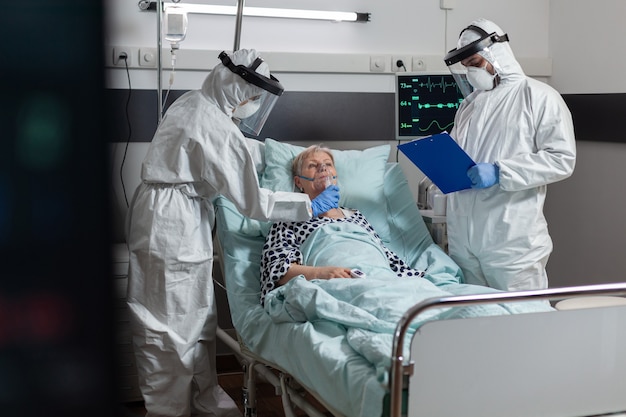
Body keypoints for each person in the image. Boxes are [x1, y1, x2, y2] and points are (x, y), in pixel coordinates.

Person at [125, 50, 340, 417]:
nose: (253, 105)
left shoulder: (194, 102)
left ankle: (206, 403)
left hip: (172, 214)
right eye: (254, 97)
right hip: (172, 227)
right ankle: (166, 411)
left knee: (198, 321)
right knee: (170, 330)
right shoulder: (214, 126)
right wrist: (310, 205)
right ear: (236, 86)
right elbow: (255, 203)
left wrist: (275, 152)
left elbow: (232, 149)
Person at [443, 18, 576, 291]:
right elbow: (457, 156)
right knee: (475, 322)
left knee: (523, 323)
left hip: (511, 243)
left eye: (476, 64)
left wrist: (500, 172)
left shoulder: (538, 97)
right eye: (466, 67)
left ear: (497, 53)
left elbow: (561, 159)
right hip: (465, 243)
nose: (471, 74)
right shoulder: (469, 106)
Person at [260, 145, 425, 305]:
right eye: (312, 165)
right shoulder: (289, 218)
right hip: (335, 281)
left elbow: (385, 256)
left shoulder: (357, 215)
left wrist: (413, 280)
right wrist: (322, 273)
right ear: (298, 182)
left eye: (328, 164)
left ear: (336, 175)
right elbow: (278, 270)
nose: (323, 169)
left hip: (381, 278)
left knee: (419, 299)